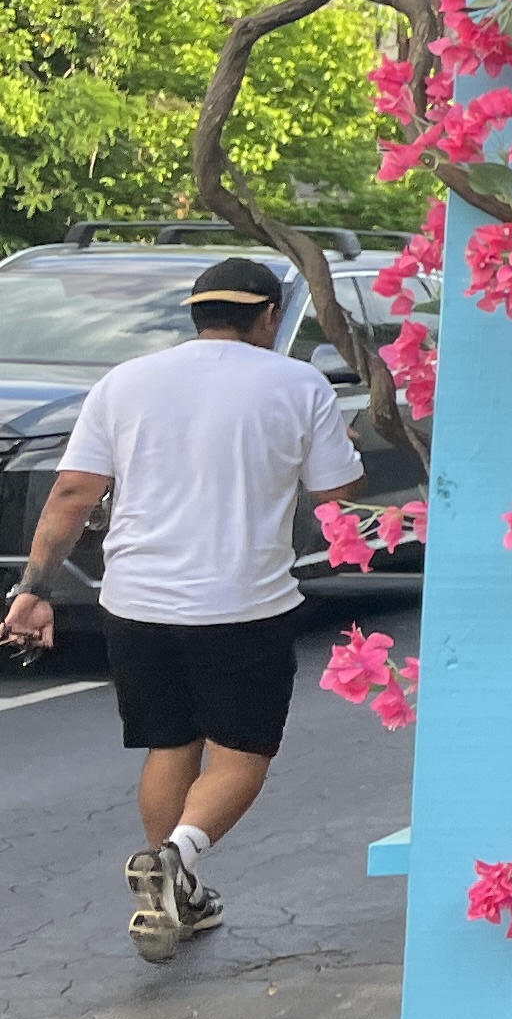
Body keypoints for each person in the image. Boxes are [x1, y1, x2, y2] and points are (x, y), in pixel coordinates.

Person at [3, 256, 364, 962]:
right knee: (243, 755)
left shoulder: (125, 381)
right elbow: (338, 502)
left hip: (134, 603)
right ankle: (177, 858)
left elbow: (73, 493)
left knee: (171, 744)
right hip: (243, 604)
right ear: (267, 317)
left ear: (196, 314)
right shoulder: (299, 383)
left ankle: (175, 893)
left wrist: (34, 590)